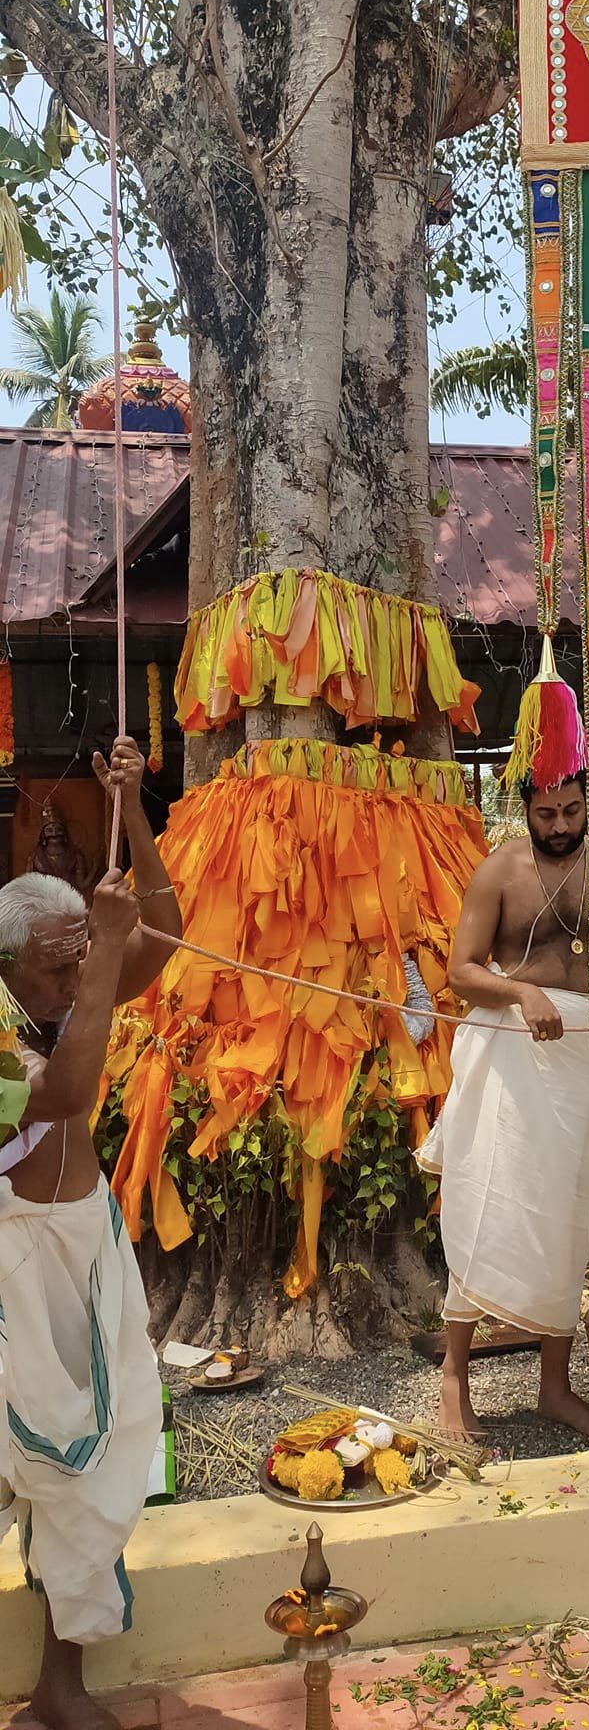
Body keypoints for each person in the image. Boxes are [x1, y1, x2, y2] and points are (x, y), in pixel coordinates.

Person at [0, 735, 182, 1730]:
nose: (83, 967)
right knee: (35, 1466)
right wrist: (105, 948)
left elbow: (168, 928)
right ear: (23, 958)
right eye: (66, 954)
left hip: (87, 1243)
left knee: (80, 1467)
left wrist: (137, 814)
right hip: (15, 1262)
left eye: (82, 949)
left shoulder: (68, 983)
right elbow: (61, 1091)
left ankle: (57, 1687)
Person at [420, 772, 589, 1444]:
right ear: (523, 810)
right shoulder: (499, 870)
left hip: (585, 1055)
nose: (559, 826)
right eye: (546, 813)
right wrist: (522, 994)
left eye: (572, 811)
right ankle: (454, 1377)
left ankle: (555, 1387)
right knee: (487, 1205)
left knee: (568, 1217)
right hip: (512, 1052)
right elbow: (461, 972)